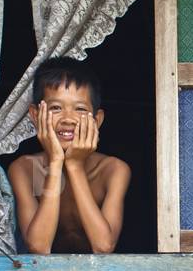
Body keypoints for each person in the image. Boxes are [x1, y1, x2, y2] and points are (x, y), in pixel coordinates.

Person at [8, 57, 130, 254]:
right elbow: (39, 247)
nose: (68, 119)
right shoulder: (23, 169)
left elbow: (104, 246)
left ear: (97, 120)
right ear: (35, 115)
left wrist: (74, 165)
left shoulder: (113, 170)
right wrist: (56, 162)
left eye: (80, 109)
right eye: (56, 108)